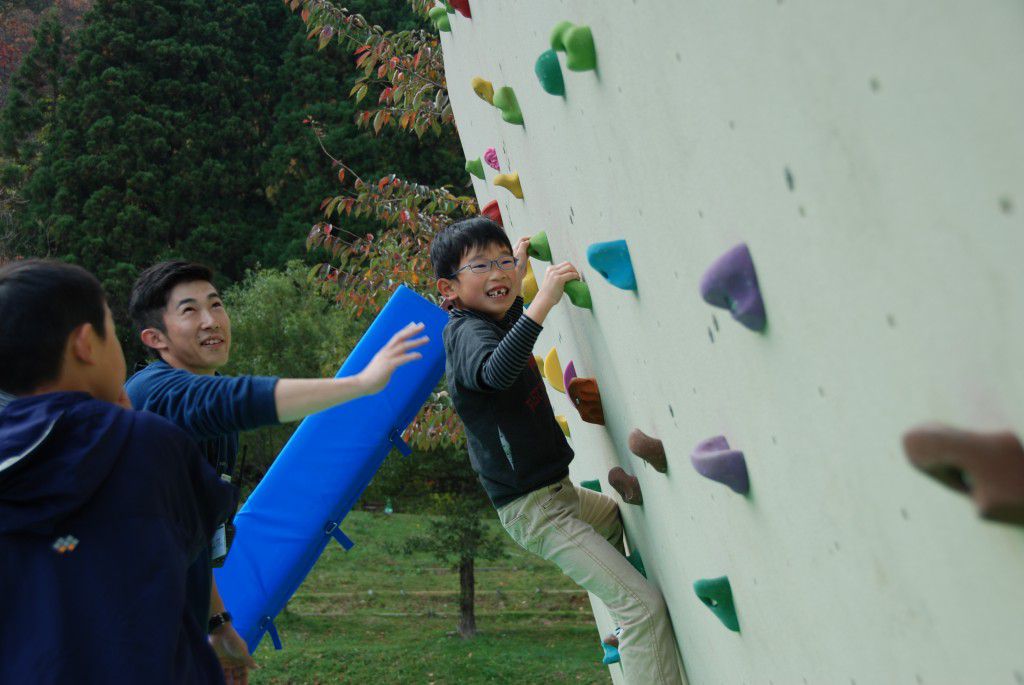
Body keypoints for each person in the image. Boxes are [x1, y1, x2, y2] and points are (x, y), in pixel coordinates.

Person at [125, 260, 428, 683]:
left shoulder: (217, 431)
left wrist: (218, 625)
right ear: (155, 338)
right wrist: (361, 384)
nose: (211, 320)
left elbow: (195, 542)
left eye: (216, 304)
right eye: (190, 310)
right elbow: (234, 399)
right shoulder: (152, 395)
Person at [430, 218, 685, 684]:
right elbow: (495, 371)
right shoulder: (465, 334)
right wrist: (543, 300)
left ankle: (624, 634)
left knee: (611, 520)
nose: (498, 273)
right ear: (448, 288)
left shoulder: (488, 320)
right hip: (536, 509)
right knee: (643, 608)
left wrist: (517, 270)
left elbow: (507, 322)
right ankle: (632, 625)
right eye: (481, 265)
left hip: (557, 494)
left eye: (503, 262)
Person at [0, 260, 234, 684]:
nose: (211, 321)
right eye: (109, 327)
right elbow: (185, 546)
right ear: (86, 344)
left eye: (216, 305)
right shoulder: (148, 440)